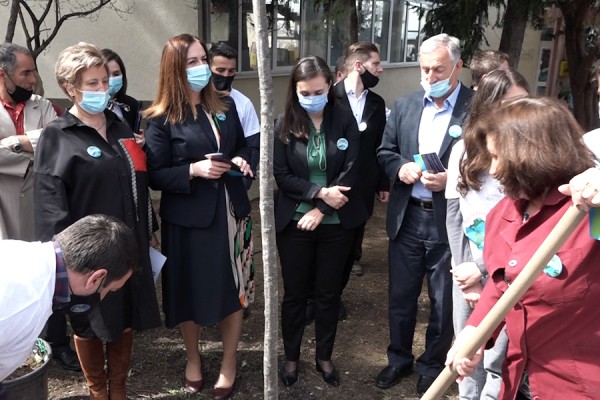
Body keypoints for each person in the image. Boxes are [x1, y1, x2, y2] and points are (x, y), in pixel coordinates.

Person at [446, 96, 600, 400]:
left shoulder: (587, 212)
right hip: (517, 380)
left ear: (531, 155)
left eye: (497, 157)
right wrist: (474, 332)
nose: (492, 170)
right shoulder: (502, 215)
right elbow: (501, 284)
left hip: (577, 385)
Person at [35, 42, 161, 400]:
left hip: (129, 246)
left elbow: (138, 180)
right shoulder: (57, 136)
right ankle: (97, 392)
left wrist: (150, 229)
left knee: (125, 316)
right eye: (92, 83)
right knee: (89, 321)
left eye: (105, 81)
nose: (102, 89)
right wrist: (64, 261)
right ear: (70, 88)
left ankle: (118, 389)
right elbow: (50, 208)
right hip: (87, 258)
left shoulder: (120, 128)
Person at [144, 33, 254, 400]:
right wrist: (192, 170)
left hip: (231, 212)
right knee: (187, 291)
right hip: (188, 219)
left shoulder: (226, 106)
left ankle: (228, 362)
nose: (201, 67)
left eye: (202, 59)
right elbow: (156, 174)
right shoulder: (160, 118)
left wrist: (240, 159)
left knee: (233, 290)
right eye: (191, 62)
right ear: (174, 68)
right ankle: (193, 358)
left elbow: (243, 147)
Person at [376, 33, 474, 395]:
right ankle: (398, 358)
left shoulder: (476, 109)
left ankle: (433, 364)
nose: (430, 77)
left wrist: (454, 180)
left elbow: (489, 162)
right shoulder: (405, 105)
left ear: (458, 67)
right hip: (407, 217)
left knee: (443, 300)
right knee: (401, 296)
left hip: (449, 221)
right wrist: (400, 167)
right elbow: (385, 151)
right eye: (425, 70)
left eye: (439, 70)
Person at [274, 55, 364, 388]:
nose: (312, 97)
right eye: (305, 92)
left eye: (319, 91)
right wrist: (319, 193)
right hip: (294, 225)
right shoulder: (283, 124)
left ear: (330, 86)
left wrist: (322, 209)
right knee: (295, 295)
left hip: (336, 226)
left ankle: (324, 356)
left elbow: (353, 169)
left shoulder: (345, 120)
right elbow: (282, 175)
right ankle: (291, 357)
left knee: (328, 295)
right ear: (295, 90)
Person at [445, 68, 530, 400]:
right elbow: (455, 217)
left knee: (498, 359)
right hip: (467, 269)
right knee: (467, 354)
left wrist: (483, 270)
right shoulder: (461, 152)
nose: (517, 113)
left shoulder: (530, 157)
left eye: (523, 103)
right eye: (508, 104)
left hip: (507, 272)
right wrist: (464, 272)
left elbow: (525, 229)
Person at [0, 214, 137, 383]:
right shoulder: (27, 308)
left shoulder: (15, 249)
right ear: (95, 278)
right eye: (110, 290)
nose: (106, 296)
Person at [335, 41, 389, 281]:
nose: (380, 69)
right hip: (333, 184)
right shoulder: (330, 97)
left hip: (363, 186)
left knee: (352, 242)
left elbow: (381, 145)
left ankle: (338, 290)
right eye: (375, 64)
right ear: (358, 65)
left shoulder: (377, 103)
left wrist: (383, 183)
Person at [0, 43, 57, 242]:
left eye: (34, 72)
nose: (33, 80)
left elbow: (59, 142)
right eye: (26, 73)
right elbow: (49, 142)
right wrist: (32, 161)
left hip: (39, 206)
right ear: (2, 74)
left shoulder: (42, 105)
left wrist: (15, 142)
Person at [208, 42, 260, 189]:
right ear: (208, 69)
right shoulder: (195, 101)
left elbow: (252, 146)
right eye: (220, 70)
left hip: (233, 183)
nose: (226, 75)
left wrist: (243, 180)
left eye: (231, 71)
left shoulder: (243, 104)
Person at [101, 48, 145, 147]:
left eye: (116, 74)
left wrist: (141, 144)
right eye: (106, 75)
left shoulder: (131, 104)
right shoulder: (93, 106)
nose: (112, 79)